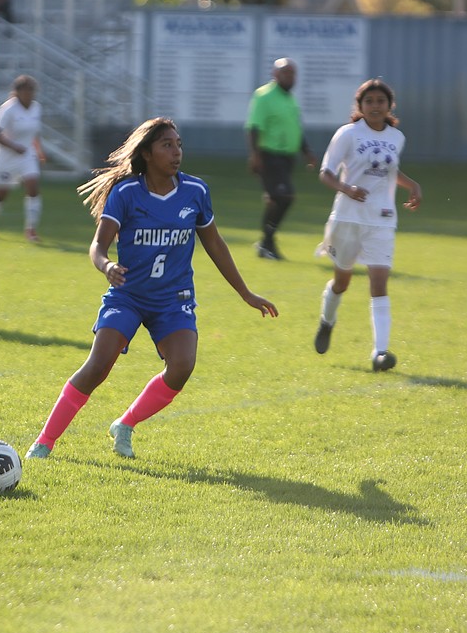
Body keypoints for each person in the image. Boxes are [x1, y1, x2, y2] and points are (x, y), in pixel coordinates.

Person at [25, 117, 278, 460]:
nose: (176, 152)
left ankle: (125, 424)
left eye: (179, 144)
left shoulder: (195, 192)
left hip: (173, 299)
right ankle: (45, 441)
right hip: (128, 295)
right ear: (146, 154)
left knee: (182, 366)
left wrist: (245, 293)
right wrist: (107, 265)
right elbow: (97, 247)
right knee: (99, 365)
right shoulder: (127, 194)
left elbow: (215, 245)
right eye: (167, 145)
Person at [312, 79, 422, 372]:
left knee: (379, 283)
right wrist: (346, 188)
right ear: (359, 106)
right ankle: (327, 321)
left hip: (382, 219)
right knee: (342, 281)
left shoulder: (397, 137)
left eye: (380, 101)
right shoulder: (348, 134)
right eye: (369, 101)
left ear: (389, 106)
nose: (375, 106)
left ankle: (380, 352)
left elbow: (389, 171)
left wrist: (411, 185)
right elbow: (326, 173)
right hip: (347, 218)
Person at [245, 57, 317, 260]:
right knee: (285, 197)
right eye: (286, 72)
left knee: (276, 199)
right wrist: (255, 155)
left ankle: (266, 243)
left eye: (293, 73)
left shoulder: (290, 99)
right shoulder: (264, 95)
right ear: (275, 74)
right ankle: (267, 241)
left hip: (287, 158)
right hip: (270, 156)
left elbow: (295, 128)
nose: (290, 77)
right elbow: (253, 127)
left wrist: (306, 151)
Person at [0, 75, 45, 242]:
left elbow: (35, 132)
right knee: (1, 194)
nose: (29, 93)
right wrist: (13, 146)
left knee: (33, 187)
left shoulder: (36, 108)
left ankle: (31, 229)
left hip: (27, 155)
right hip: (6, 157)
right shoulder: (8, 109)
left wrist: (39, 150)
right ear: (17, 92)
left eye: (31, 90)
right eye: (25, 90)